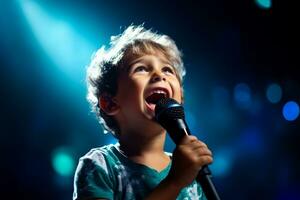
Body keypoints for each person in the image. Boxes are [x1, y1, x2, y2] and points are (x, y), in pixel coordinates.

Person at [73, 24, 213, 200]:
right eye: (141, 69)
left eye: (167, 70)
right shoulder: (100, 165)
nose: (159, 75)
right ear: (109, 103)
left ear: (180, 100)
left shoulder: (191, 170)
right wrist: (174, 182)